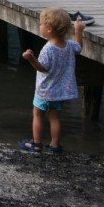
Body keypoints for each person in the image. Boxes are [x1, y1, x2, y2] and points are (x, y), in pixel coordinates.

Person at [18, 8, 85, 153]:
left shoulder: (48, 49)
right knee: (55, 118)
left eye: (41, 24)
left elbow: (42, 68)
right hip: (60, 91)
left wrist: (31, 59)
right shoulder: (68, 45)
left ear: (49, 29)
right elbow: (79, 47)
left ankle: (36, 144)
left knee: (37, 114)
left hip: (44, 91)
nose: (40, 26)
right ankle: (55, 145)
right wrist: (78, 31)